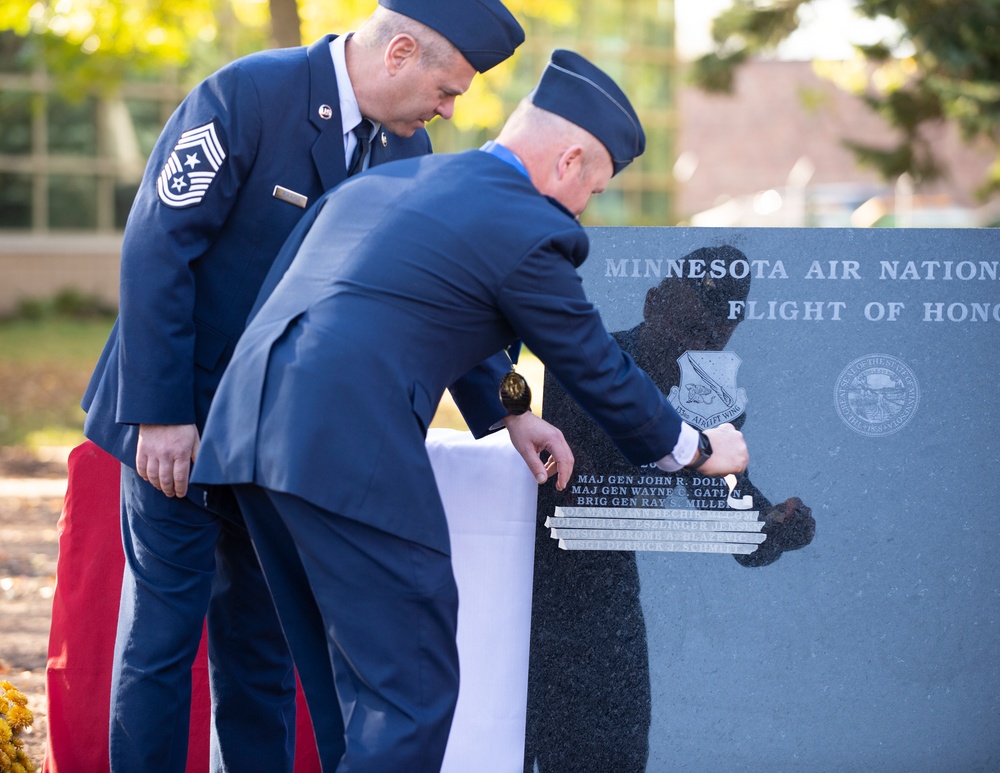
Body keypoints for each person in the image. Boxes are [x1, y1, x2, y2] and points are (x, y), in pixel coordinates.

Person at [190, 49, 751, 770]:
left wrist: (515, 409)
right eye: (598, 188)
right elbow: (594, 362)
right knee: (411, 688)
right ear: (570, 160)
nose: (589, 207)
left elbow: (435, 311)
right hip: (347, 450)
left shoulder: (399, 182)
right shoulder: (527, 224)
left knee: (349, 691)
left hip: (247, 439)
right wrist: (700, 448)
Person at [79, 1, 525, 770]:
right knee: (162, 639)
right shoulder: (250, 94)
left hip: (278, 443)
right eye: (448, 88)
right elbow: (159, 244)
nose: (452, 110)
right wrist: (159, 415)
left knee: (260, 652)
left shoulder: (406, 155)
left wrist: (511, 413)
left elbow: (436, 293)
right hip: (177, 420)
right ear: (401, 52)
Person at [525, 245, 816, 772]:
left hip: (606, 604)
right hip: (530, 588)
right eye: (683, 323)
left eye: (707, 335)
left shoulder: (710, 395)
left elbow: (721, 502)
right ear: (653, 300)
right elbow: (563, 479)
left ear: (728, 335)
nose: (688, 342)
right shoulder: (579, 368)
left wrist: (769, 525)